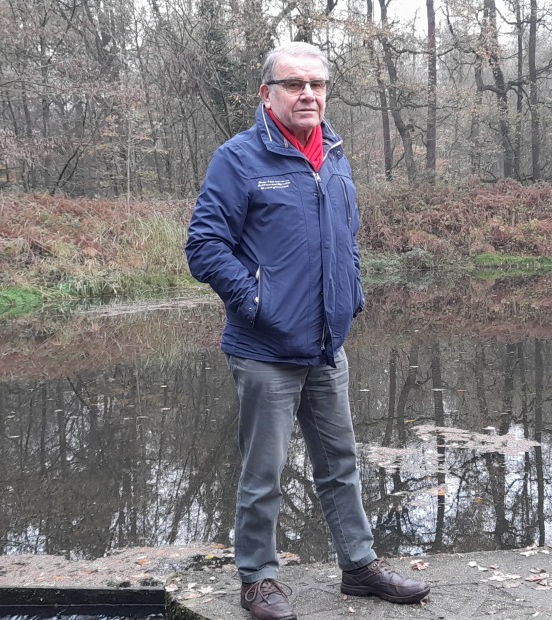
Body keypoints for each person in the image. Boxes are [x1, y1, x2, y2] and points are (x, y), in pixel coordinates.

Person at [184, 41, 431, 620]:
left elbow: (346, 237)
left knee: (340, 465)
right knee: (263, 474)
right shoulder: (239, 159)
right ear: (266, 93)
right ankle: (259, 579)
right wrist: (254, 301)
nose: (308, 94)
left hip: (326, 346)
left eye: (317, 85)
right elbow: (203, 245)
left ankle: (360, 567)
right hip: (265, 349)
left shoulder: (335, 155)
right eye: (295, 84)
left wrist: (354, 293)